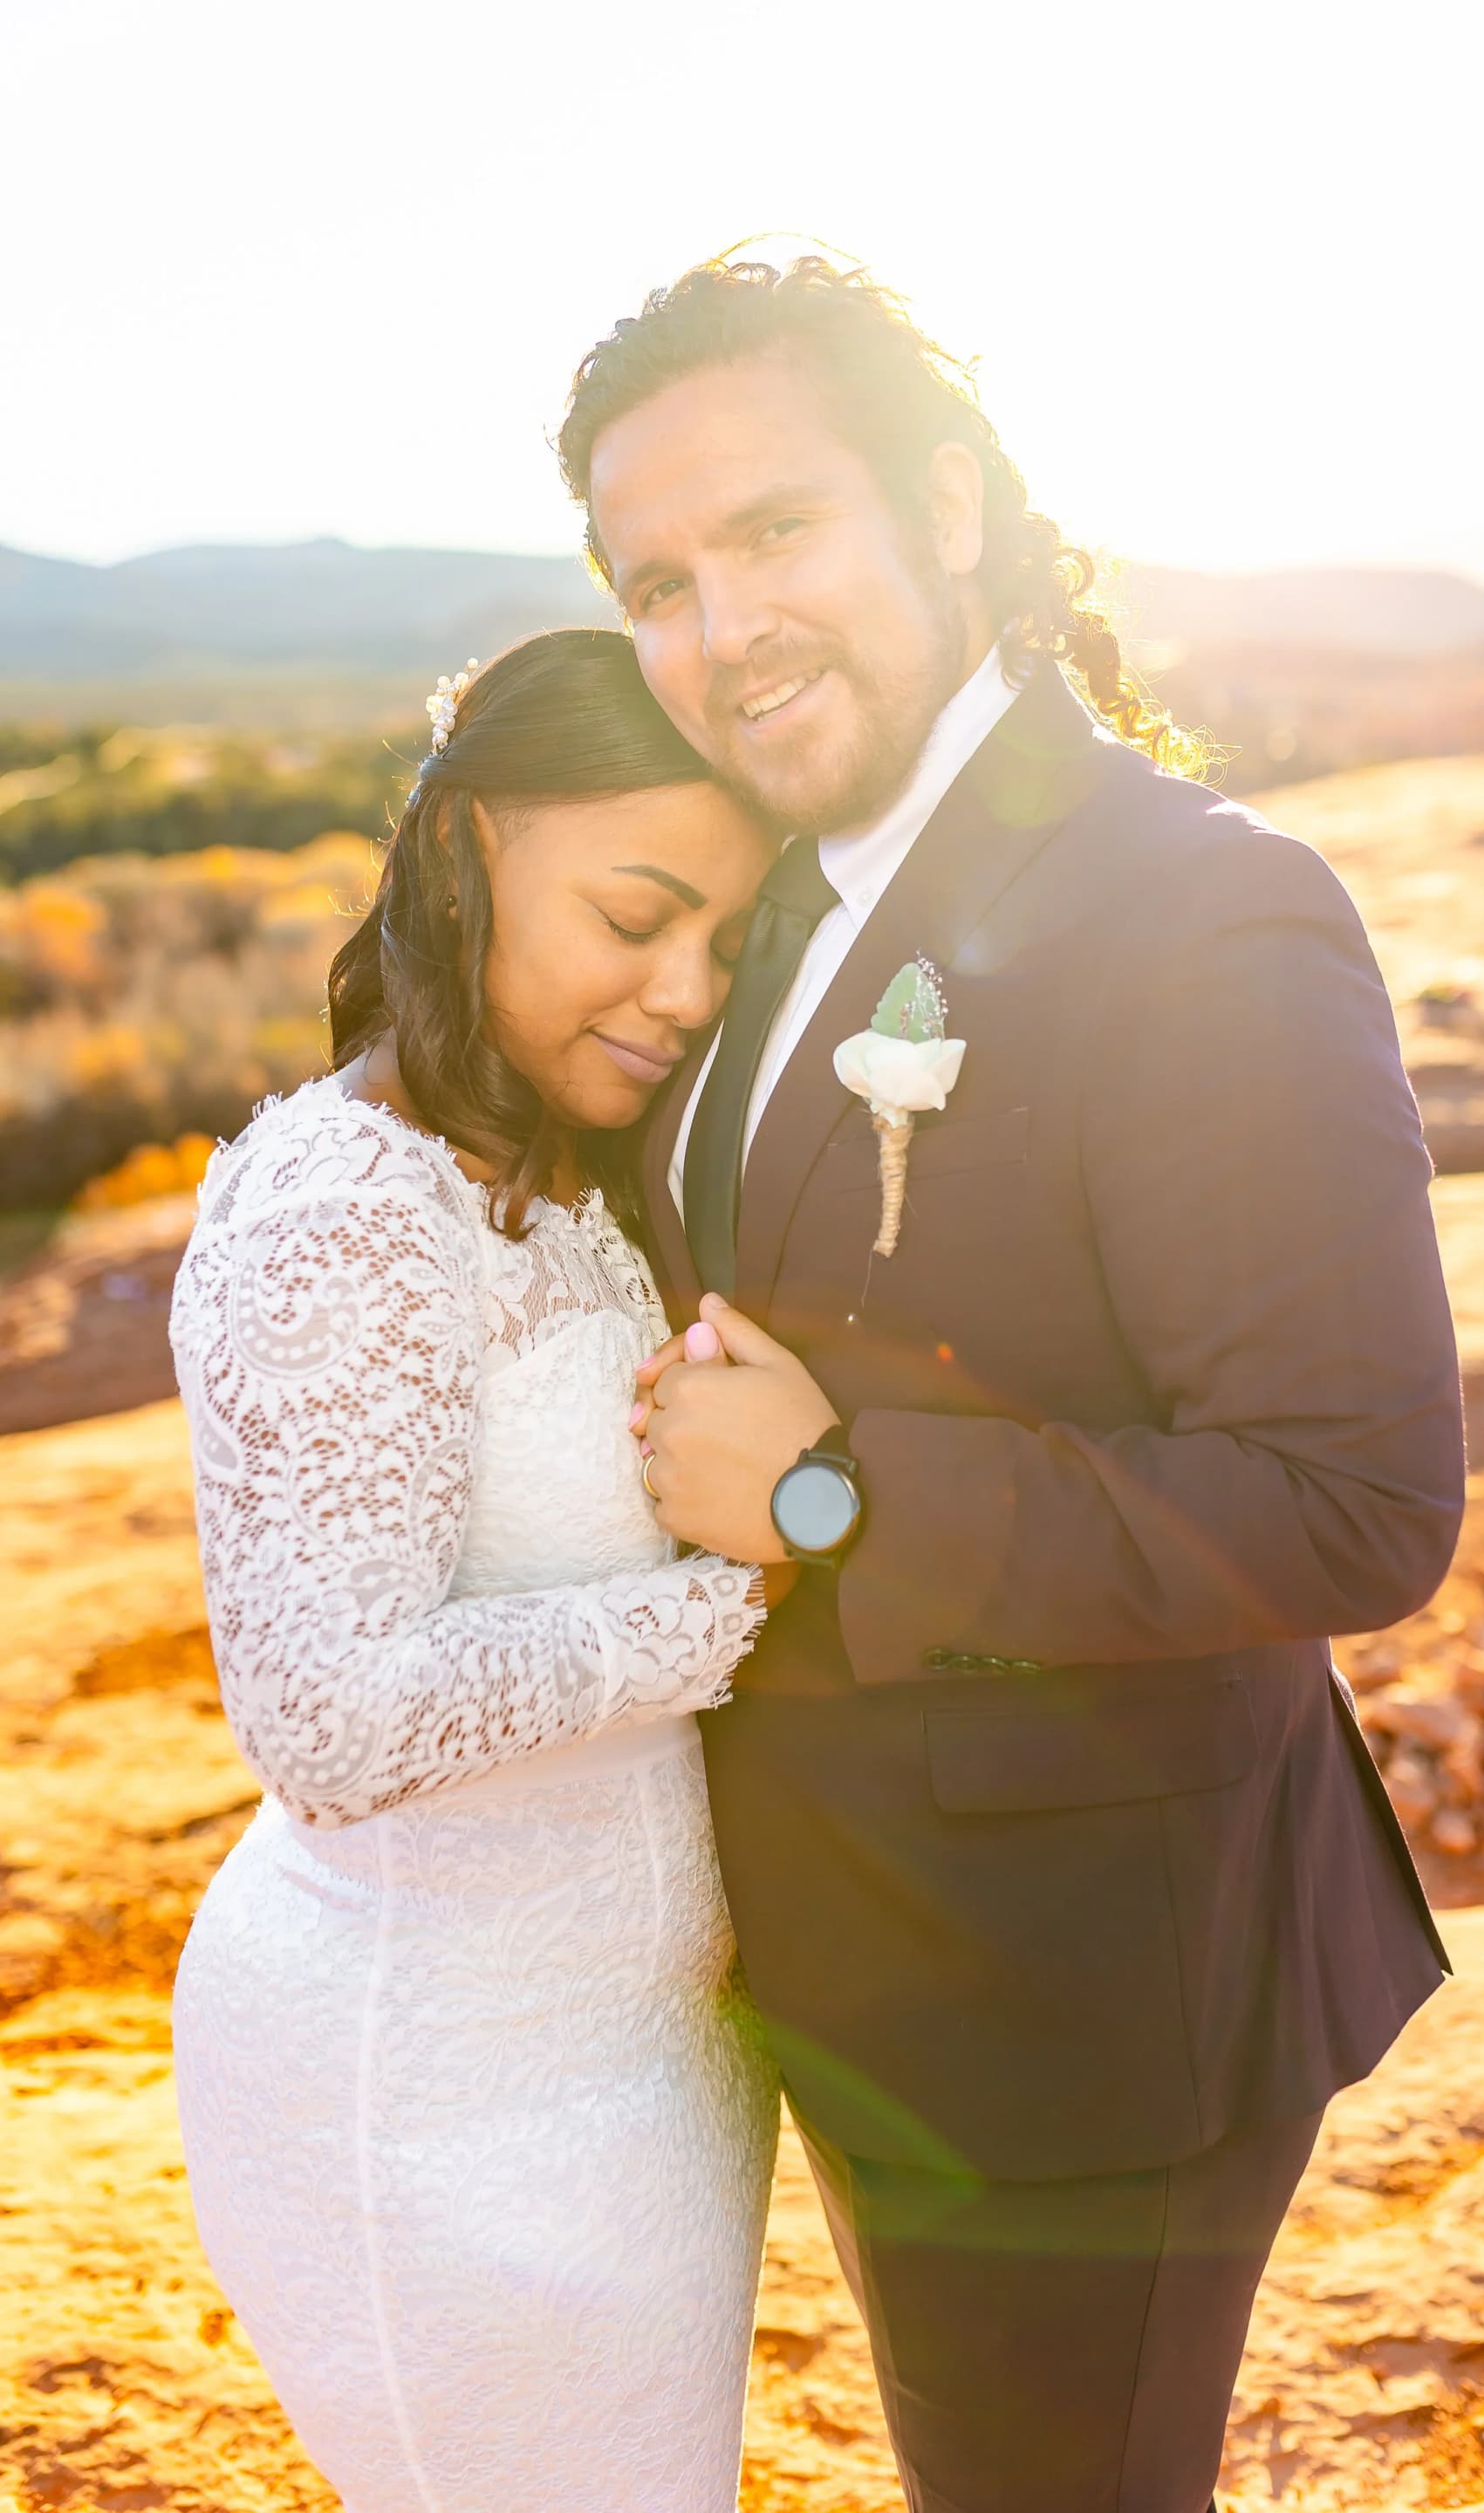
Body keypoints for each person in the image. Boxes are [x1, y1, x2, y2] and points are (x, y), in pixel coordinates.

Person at [556, 256, 1467, 2513]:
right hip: (859, 1971)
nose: (717, 628)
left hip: (1090, 2012)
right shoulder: (768, 899)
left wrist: (844, 1500)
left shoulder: (1203, 915)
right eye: (655, 581)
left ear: (945, 509)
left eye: (775, 534)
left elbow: (1357, 1500)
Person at [168, 629, 783, 2513]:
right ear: (466, 856)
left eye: (726, 944)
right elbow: (329, 1721)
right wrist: (751, 1594)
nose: (683, 990)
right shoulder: (344, 1211)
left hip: (643, 2066)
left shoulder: (557, 1166)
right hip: (432, 2091)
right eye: (635, 915)